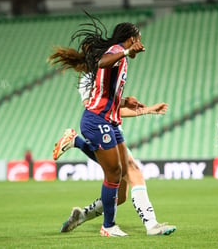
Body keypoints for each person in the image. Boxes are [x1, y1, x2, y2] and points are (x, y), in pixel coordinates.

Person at [49, 13, 146, 237]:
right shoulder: (114, 52)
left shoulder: (120, 60)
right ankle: (109, 226)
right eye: (139, 39)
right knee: (116, 173)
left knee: (119, 172)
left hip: (108, 120)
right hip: (98, 120)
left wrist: (126, 101)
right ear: (131, 39)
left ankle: (75, 142)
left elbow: (107, 93)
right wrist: (125, 51)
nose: (141, 44)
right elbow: (102, 63)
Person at [57, 73, 176, 236]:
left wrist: (145, 109)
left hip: (111, 128)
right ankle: (151, 225)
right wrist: (144, 109)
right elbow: (97, 107)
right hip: (104, 128)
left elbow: (112, 106)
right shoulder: (94, 74)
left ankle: (81, 216)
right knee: (132, 171)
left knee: (120, 196)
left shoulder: (108, 68)